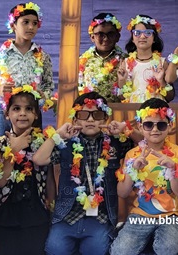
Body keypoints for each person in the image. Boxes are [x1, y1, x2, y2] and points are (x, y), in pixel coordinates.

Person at [31, 92, 137, 255]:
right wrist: (57, 135)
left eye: (97, 115)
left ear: (105, 119)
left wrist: (126, 130)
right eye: (83, 115)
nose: (90, 119)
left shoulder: (115, 143)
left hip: (101, 217)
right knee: (55, 249)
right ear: (75, 119)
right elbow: (38, 159)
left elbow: (145, 144)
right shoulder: (65, 143)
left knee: (96, 250)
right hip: (67, 215)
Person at [0, 85, 55, 255]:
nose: (22, 113)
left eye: (28, 109)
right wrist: (13, 151)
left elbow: (50, 177)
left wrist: (52, 207)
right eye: (16, 108)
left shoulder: (45, 142)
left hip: (35, 212)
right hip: (3, 213)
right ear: (7, 114)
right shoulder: (0, 143)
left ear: (36, 114)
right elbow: (0, 182)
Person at [111, 98, 178, 255]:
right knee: (120, 251)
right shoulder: (132, 154)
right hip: (140, 215)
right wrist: (133, 170)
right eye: (148, 124)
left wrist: (173, 168)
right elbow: (122, 193)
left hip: (170, 215)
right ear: (140, 126)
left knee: (167, 249)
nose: (155, 129)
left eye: (161, 125)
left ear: (170, 126)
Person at [0, 2, 54, 137]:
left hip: (32, 111)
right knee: (2, 145)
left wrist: (43, 95)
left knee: (34, 146)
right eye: (25, 22)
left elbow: (49, 85)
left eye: (35, 23)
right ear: (13, 25)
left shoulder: (43, 56)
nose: (31, 27)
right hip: (6, 111)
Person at [117, 14, 173, 103]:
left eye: (148, 33)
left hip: (156, 110)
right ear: (132, 38)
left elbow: (170, 97)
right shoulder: (126, 63)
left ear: (154, 38)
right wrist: (121, 80)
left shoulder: (162, 63)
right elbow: (121, 97)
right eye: (137, 33)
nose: (142, 36)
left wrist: (161, 81)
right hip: (133, 110)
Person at [78, 12, 126, 102]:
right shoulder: (82, 62)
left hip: (118, 109)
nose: (106, 38)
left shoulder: (126, 61)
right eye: (100, 34)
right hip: (90, 109)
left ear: (117, 37)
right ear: (92, 37)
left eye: (110, 34)